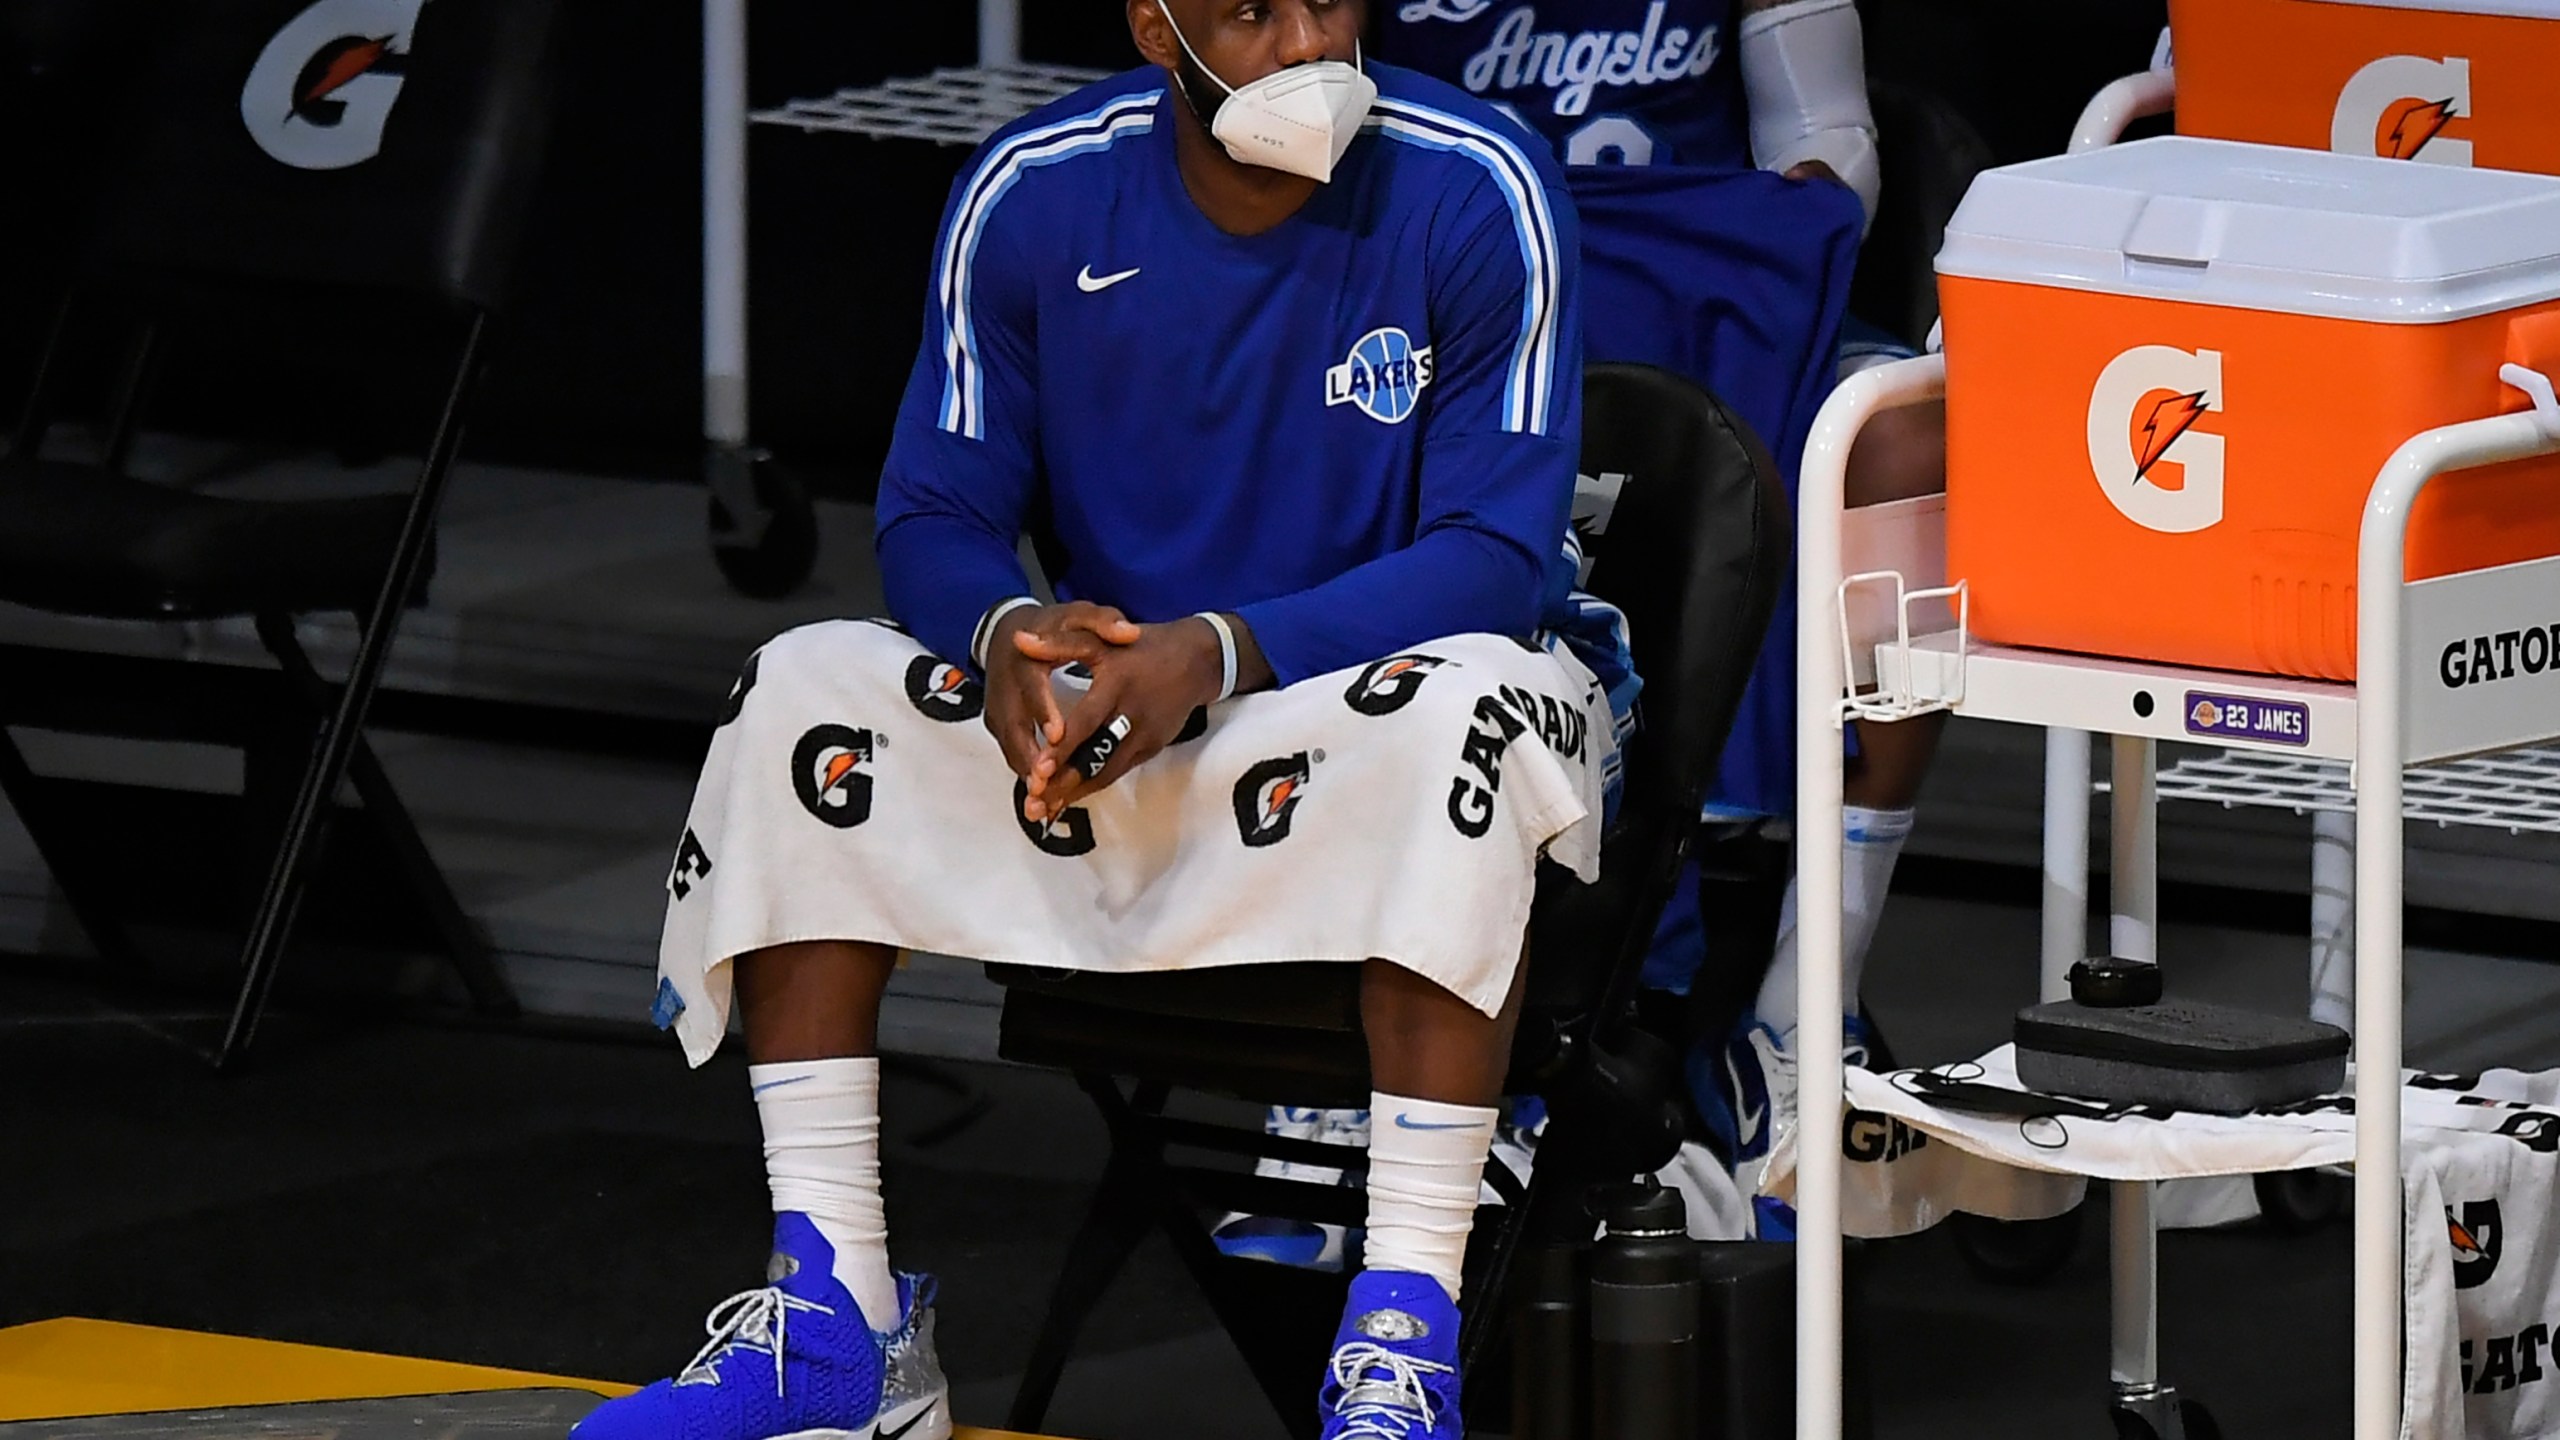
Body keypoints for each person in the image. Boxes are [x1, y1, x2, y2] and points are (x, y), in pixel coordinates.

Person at [570, 3, 1616, 1438]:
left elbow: (1496, 556)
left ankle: (1402, 1340)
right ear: (1154, 21)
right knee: (807, 681)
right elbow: (937, 507)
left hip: (1382, 701)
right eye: (1254, 10)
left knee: (1464, 716)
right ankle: (839, 1319)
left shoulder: (1477, 178)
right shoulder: (1034, 187)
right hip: (1136, 721)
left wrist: (1226, 649)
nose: (1309, 42)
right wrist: (1013, 639)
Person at [1372, 0, 1950, 1240]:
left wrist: (1687, 250)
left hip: (1696, 308)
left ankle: (1805, 1006)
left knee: (1914, 444)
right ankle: (1367, 1035)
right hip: (1451, 303)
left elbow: (1830, 144)